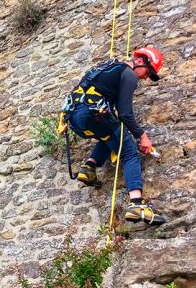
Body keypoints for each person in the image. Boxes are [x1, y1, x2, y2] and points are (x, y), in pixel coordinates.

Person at [64, 45, 168, 225]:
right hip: (93, 112)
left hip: (75, 118)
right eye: (147, 72)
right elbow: (125, 113)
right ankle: (137, 204)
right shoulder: (128, 73)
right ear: (140, 61)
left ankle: (89, 167)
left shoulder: (106, 68)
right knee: (129, 152)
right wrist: (142, 135)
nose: (145, 77)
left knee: (111, 136)